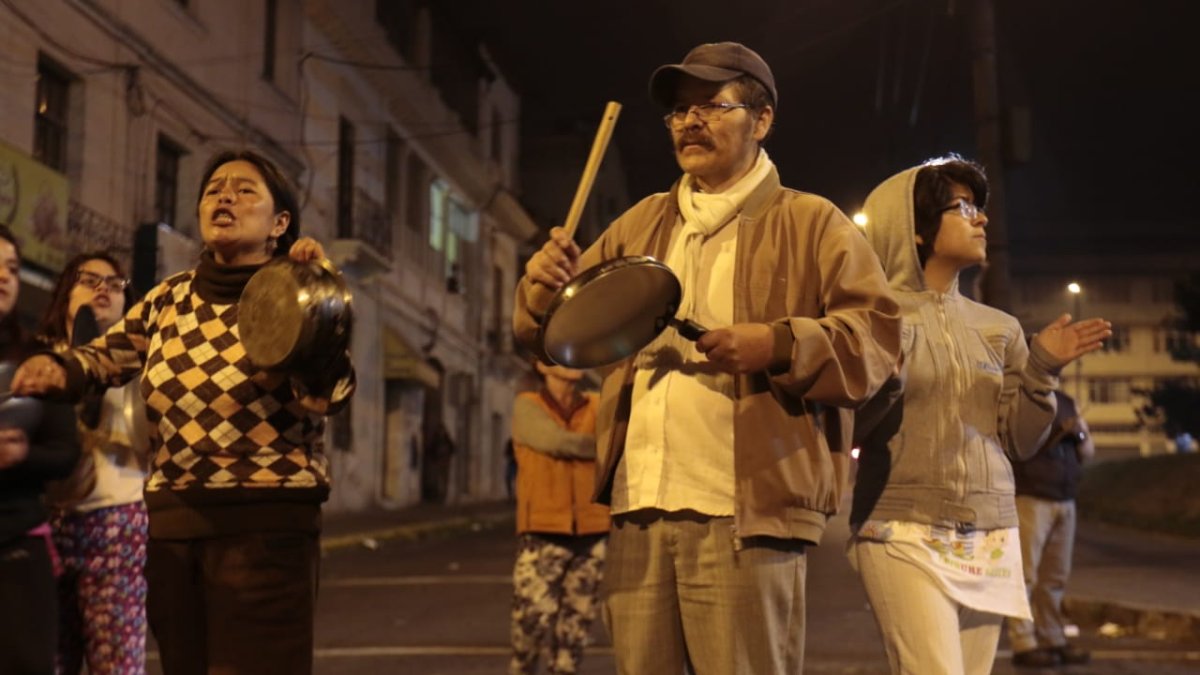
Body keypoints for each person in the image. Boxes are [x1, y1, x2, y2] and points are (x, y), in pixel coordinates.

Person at [514, 42, 902, 674]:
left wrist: (777, 343)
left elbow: (877, 340)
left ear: (762, 119)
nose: (690, 122)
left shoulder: (812, 222)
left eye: (713, 106)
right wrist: (539, 289)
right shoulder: (640, 223)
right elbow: (556, 333)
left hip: (747, 514)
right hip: (638, 504)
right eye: (679, 111)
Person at [12, 150, 356, 675]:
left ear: (279, 223)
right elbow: (104, 357)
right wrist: (58, 369)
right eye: (214, 188)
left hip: (265, 533)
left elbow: (329, 393)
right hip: (173, 532)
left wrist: (316, 300)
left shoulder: (297, 293)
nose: (225, 196)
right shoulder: (167, 300)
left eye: (245, 190)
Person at [848, 156, 1112, 675]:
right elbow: (846, 427)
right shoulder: (873, 318)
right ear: (915, 228)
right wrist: (887, 378)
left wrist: (1041, 368)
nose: (982, 218)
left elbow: (1018, 441)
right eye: (963, 207)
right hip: (899, 527)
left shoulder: (1001, 328)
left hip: (989, 532)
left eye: (979, 207)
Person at [38, 252, 151, 674]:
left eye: (115, 284)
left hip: (117, 523)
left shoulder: (145, 367)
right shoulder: (39, 362)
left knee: (117, 663)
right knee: (48, 659)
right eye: (89, 280)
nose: (103, 289)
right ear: (65, 294)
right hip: (47, 523)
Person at [0, 224, 81, 674]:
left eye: (12, 268)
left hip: (18, 545)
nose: (4, 277)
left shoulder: (36, 360)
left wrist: (21, 456)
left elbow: (66, 452)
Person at [509, 360, 609, 675]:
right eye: (559, 355)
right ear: (541, 365)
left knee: (574, 635)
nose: (571, 360)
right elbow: (555, 441)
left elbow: (622, 438)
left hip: (593, 533)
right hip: (543, 531)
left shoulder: (596, 404)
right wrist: (602, 446)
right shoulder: (528, 405)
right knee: (530, 628)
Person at [1006, 389, 1094, 667]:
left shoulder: (1067, 402)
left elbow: (1088, 452)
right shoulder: (1023, 394)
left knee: (1055, 577)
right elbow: (1016, 444)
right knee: (1026, 575)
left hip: (1065, 498)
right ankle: (1023, 642)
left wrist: (1079, 433)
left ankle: (1053, 637)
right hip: (1031, 497)